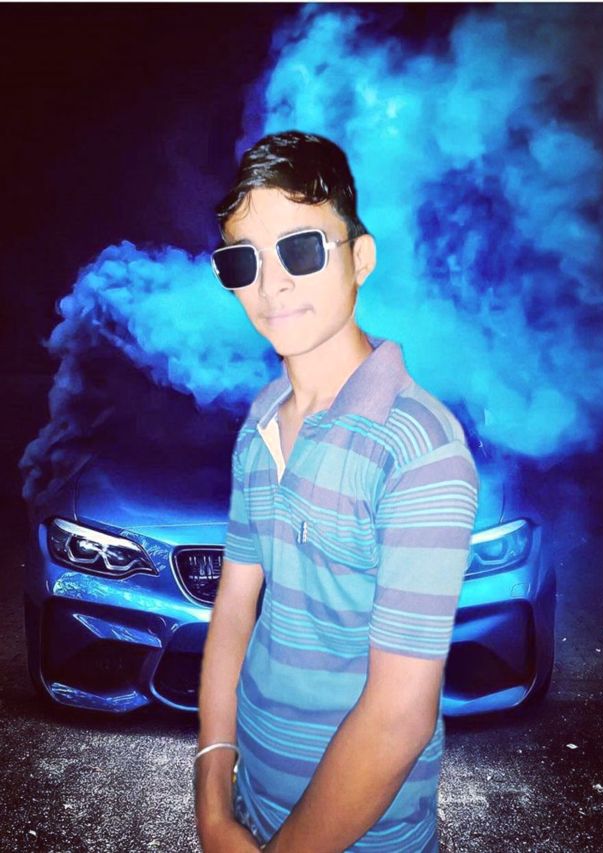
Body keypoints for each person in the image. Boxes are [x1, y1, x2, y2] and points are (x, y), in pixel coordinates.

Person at [195, 130, 479, 853]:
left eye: (300, 249)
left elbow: (399, 717)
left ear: (361, 259)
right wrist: (213, 797)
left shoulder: (419, 446)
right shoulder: (262, 419)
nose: (272, 284)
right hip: (249, 808)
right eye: (243, 260)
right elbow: (234, 611)